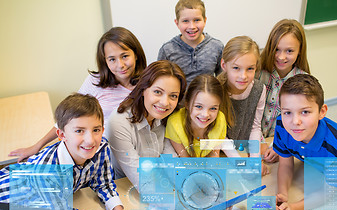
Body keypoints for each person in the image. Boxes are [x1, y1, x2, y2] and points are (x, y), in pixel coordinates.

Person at [0, 93, 132, 210]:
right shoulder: (48, 171)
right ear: (62, 135)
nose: (90, 140)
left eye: (96, 130)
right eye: (79, 131)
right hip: (9, 207)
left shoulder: (101, 147)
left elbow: (103, 184)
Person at [9, 27, 146, 162]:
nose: (120, 65)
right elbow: (70, 116)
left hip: (131, 155)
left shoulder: (148, 84)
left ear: (136, 54)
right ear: (105, 61)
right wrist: (37, 146)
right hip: (93, 153)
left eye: (125, 56)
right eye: (112, 59)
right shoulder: (96, 82)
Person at [273, 74, 337, 210]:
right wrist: (282, 194)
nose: (295, 122)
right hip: (317, 167)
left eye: (305, 112)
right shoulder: (282, 125)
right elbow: (286, 164)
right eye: (287, 112)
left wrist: (293, 208)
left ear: (322, 112)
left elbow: (330, 192)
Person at [105, 60, 187, 189]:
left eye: (173, 96)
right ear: (143, 89)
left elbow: (171, 162)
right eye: (158, 92)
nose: (165, 103)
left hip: (157, 182)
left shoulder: (168, 117)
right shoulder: (119, 121)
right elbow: (141, 179)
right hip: (124, 188)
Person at [257, 19, 310, 163]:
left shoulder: (304, 81)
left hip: (284, 144)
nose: (281, 57)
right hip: (253, 141)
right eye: (277, 49)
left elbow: (303, 123)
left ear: (300, 51)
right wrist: (260, 142)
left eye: (289, 51)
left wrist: (277, 146)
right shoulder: (257, 73)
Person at [218, 36, 269, 175]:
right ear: (224, 65)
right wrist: (239, 163)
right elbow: (218, 136)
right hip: (219, 152)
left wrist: (254, 160)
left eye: (250, 69)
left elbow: (255, 126)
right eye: (236, 68)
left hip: (243, 148)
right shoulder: (216, 90)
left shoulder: (259, 89)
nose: (243, 76)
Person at [157, 0, 223, 85]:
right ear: (177, 23)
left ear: (205, 20)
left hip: (207, 97)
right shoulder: (167, 50)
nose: (192, 26)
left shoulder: (217, 47)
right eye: (185, 21)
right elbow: (160, 81)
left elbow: (222, 80)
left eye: (197, 20)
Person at [166, 74, 233, 158]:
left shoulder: (220, 119)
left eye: (213, 108)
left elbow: (214, 156)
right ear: (187, 104)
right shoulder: (174, 123)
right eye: (198, 106)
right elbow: (186, 160)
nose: (205, 114)